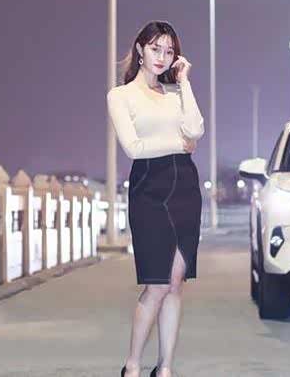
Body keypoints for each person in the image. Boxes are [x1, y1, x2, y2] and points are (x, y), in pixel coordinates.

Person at [106, 20, 204, 377]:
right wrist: (179, 143)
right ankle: (132, 365)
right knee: (157, 283)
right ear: (140, 49)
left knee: (175, 284)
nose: (162, 57)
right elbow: (134, 148)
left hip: (185, 188)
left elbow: (196, 130)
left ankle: (164, 369)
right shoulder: (120, 96)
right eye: (155, 48)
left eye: (169, 51)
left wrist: (185, 81)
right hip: (149, 189)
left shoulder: (177, 93)